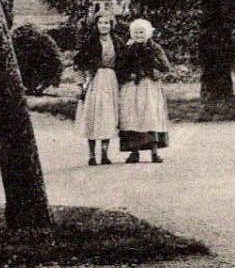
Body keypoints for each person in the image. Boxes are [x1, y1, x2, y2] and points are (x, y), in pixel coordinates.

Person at [117, 18, 171, 164]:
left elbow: (165, 67)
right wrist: (128, 74)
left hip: (149, 86)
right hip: (132, 86)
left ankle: (154, 151)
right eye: (136, 32)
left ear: (147, 33)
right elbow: (120, 66)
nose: (139, 35)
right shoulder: (128, 48)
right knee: (133, 116)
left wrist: (154, 72)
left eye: (142, 32)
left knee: (150, 115)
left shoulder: (154, 48)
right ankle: (134, 152)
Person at [72, 12, 121, 165]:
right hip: (94, 81)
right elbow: (78, 64)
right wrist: (80, 85)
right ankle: (92, 155)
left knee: (107, 116)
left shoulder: (118, 42)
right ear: (96, 25)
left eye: (107, 23)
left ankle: (105, 154)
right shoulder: (90, 42)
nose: (104, 26)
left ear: (111, 25)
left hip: (111, 81)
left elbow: (126, 61)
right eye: (101, 23)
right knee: (92, 116)